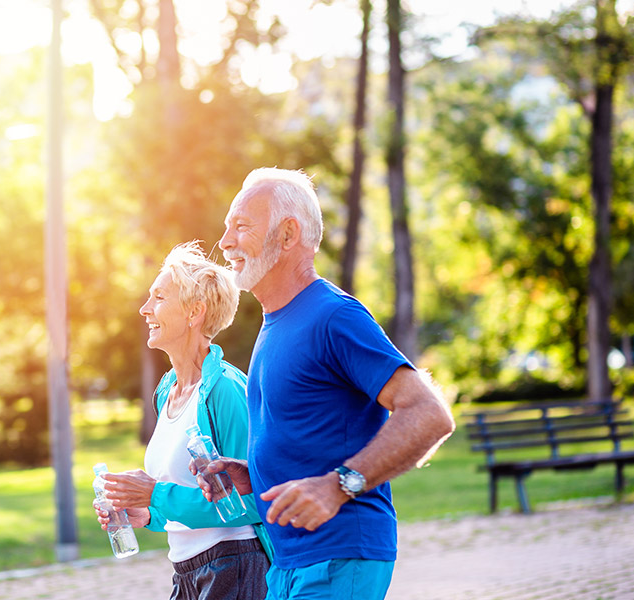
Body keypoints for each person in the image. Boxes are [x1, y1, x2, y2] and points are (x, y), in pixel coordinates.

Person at [198, 167, 455, 600]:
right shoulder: (276, 323)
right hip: (288, 564)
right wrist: (253, 476)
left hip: (337, 558)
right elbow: (314, 432)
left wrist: (340, 484)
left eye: (241, 226)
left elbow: (430, 414)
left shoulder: (334, 316)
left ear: (287, 234)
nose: (224, 243)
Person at [95, 241, 273, 600]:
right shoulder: (166, 393)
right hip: (187, 571)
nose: (145, 309)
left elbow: (255, 502)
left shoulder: (224, 389)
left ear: (195, 312)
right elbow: (186, 500)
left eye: (159, 298)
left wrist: (156, 495)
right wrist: (146, 514)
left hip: (235, 566)